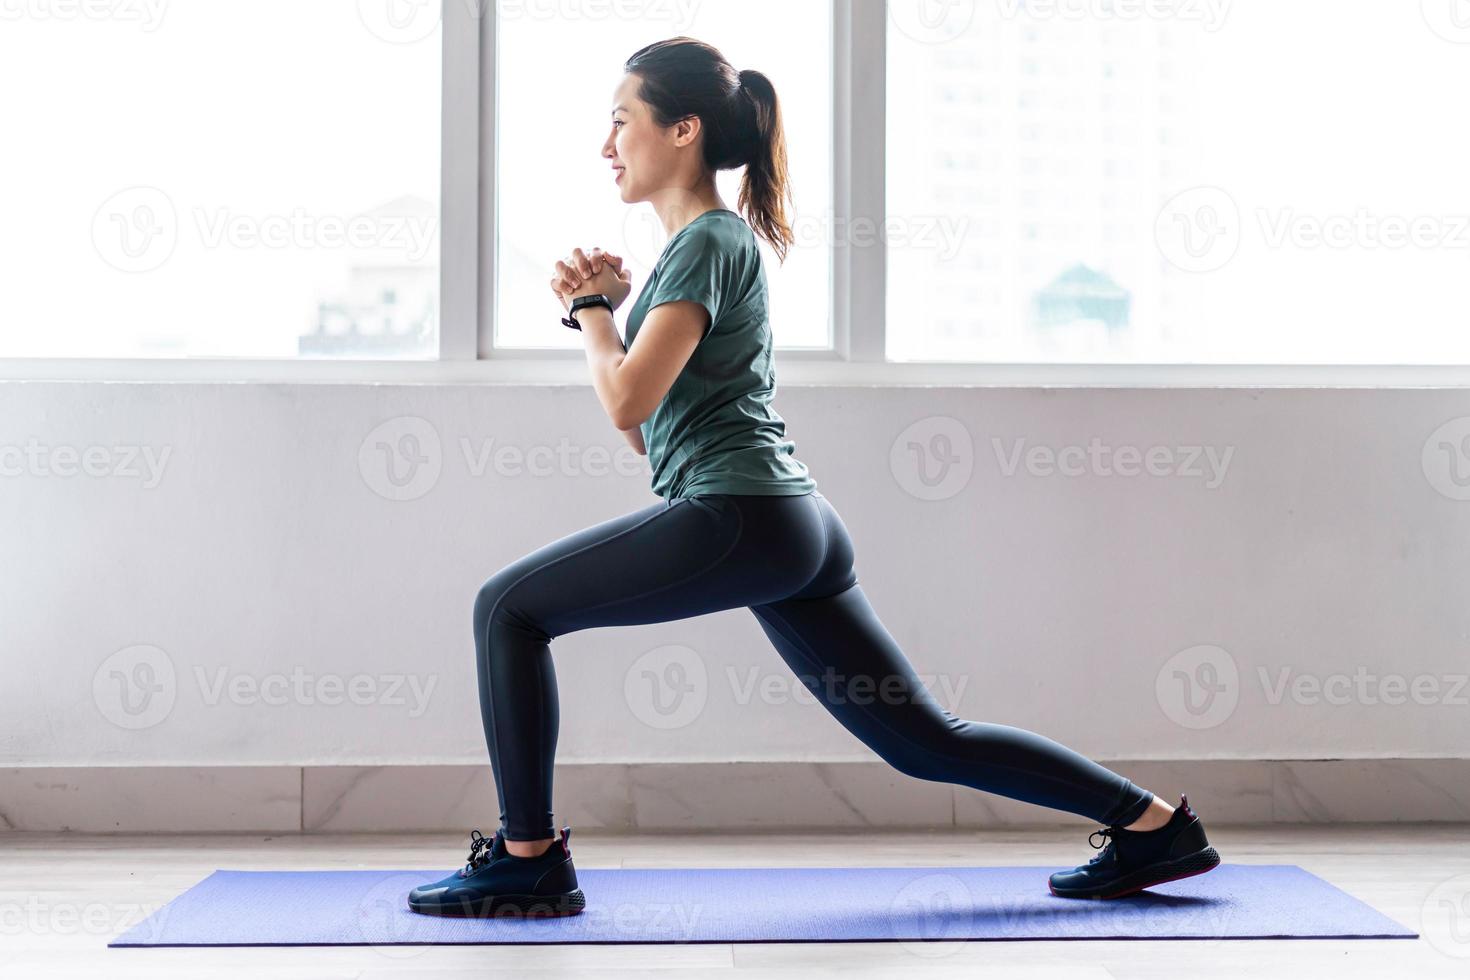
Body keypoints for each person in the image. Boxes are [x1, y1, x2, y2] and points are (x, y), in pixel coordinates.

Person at [407, 36, 1219, 919]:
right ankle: (1152, 826)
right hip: (785, 526)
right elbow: (648, 434)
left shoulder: (706, 242)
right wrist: (603, 318)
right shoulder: (706, 246)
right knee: (924, 742)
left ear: (682, 130)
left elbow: (622, 401)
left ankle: (527, 856)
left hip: (746, 516)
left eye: (621, 121)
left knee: (506, 609)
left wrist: (593, 312)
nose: (608, 145)